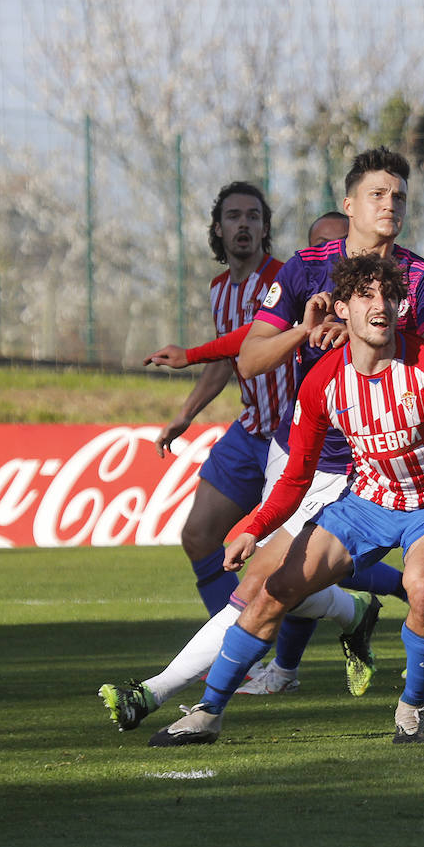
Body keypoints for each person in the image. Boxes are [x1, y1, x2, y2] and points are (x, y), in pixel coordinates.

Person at [146, 254, 424, 746]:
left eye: (389, 296)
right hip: (366, 502)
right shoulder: (321, 383)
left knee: (423, 587)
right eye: (365, 296)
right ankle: (207, 714)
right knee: (273, 591)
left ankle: (412, 707)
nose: (380, 305)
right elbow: (296, 477)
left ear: (401, 307)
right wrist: (256, 525)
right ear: (342, 308)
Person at [142, 182, 297, 617]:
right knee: (198, 536)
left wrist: (188, 354)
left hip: (293, 437)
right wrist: (184, 416)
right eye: (234, 216)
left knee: (290, 561)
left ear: (265, 228)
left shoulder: (282, 279)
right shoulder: (218, 289)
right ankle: (234, 652)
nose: (243, 224)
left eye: (253, 216)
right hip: (251, 431)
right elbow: (226, 357)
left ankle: (378, 600)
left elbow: (252, 337)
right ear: (218, 228)